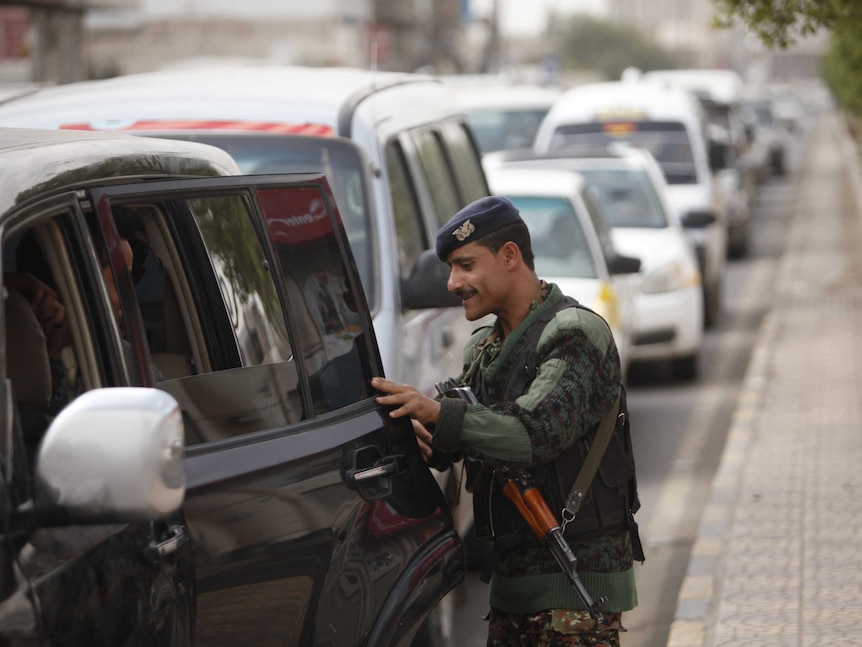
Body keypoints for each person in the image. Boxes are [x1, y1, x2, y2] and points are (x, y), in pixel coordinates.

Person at [371, 196, 642, 647]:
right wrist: (420, 431)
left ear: (510, 256)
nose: (453, 282)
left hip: (576, 587)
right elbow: (463, 431)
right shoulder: (484, 349)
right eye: (451, 269)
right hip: (512, 588)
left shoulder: (574, 333)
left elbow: (532, 434)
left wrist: (440, 414)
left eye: (465, 265)